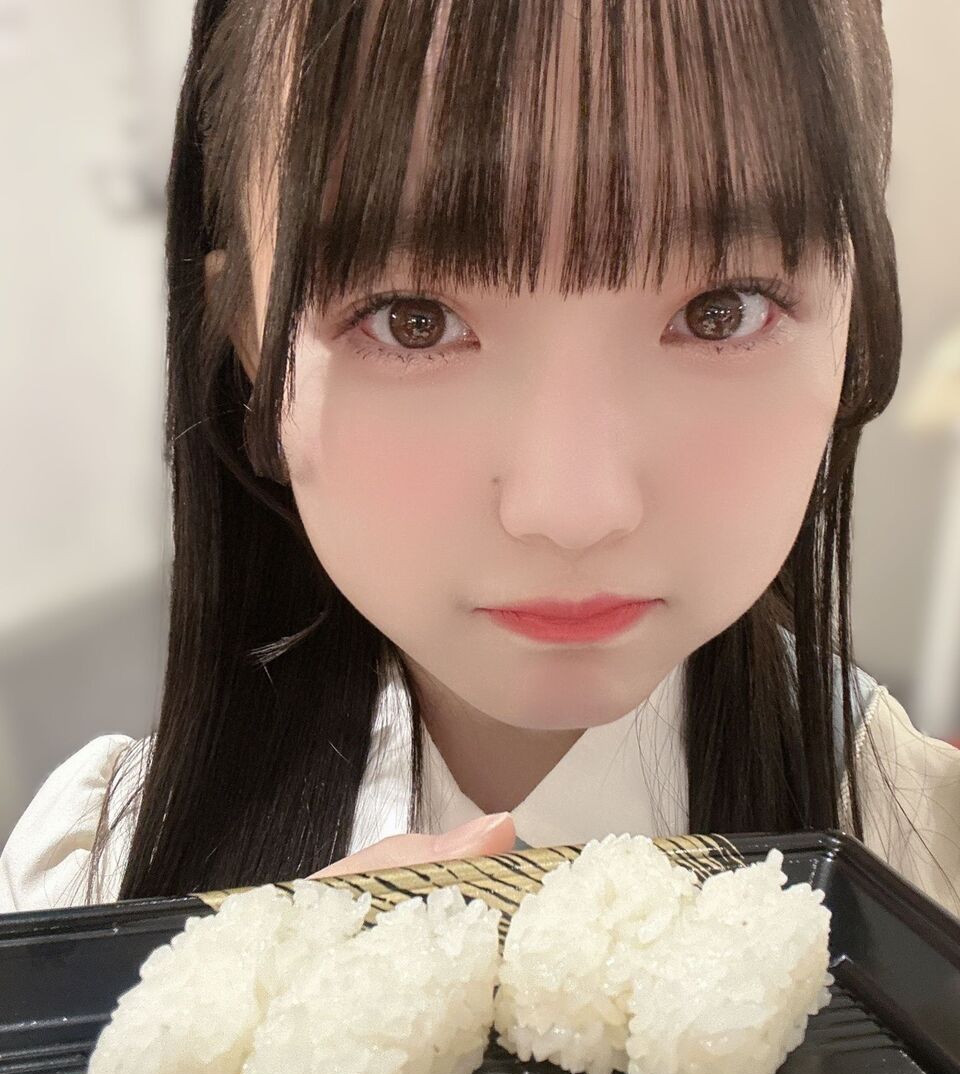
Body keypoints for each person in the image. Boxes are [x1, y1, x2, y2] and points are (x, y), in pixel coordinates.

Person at [1, 0, 958, 918]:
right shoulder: (89, 879)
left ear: (853, 319)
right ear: (252, 344)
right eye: (411, 321)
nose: (573, 508)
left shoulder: (930, 862)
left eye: (721, 312)